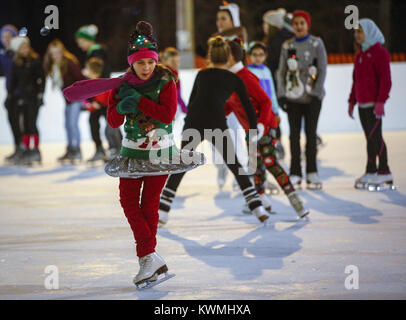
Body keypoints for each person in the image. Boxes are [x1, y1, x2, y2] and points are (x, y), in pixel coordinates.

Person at [63, 21, 204, 289]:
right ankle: (150, 257)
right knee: (128, 201)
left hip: (161, 153)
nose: (146, 67)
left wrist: (138, 101)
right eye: (140, 63)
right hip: (132, 153)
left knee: (150, 204)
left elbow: (167, 115)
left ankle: (146, 259)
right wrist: (122, 104)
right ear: (131, 63)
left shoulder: (166, 80)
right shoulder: (121, 84)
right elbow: (114, 122)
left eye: (150, 62)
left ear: (155, 60)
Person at [158, 36, 271, 226]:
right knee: (235, 165)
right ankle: (257, 207)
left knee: (182, 164)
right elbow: (249, 108)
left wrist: (188, 126)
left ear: (209, 57)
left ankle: (163, 210)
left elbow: (193, 101)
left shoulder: (202, 75)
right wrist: (253, 130)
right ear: (229, 58)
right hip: (216, 123)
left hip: (194, 123)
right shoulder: (234, 79)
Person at [226, 39, 309, 218]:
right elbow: (228, 105)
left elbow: (266, 101)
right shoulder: (230, 79)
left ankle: (295, 200)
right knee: (255, 165)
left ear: (231, 57)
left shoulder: (245, 76)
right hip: (250, 130)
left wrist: (262, 125)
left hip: (265, 126)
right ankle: (261, 199)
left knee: (270, 161)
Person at [276, 10, 327, 190]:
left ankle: (312, 172)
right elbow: (281, 72)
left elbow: (322, 68)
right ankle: (295, 171)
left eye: (302, 23)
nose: (298, 26)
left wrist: (316, 93)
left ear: (307, 25)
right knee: (294, 135)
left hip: (313, 98)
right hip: (293, 99)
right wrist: (282, 94)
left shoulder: (316, 43)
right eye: (296, 23)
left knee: (311, 135)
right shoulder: (287, 45)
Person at [348, 18, 393, 190]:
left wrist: (381, 101)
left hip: (374, 104)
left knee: (376, 137)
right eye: (355, 32)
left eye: (360, 32)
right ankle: (371, 170)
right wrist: (352, 101)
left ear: (369, 32)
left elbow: (385, 80)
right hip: (362, 104)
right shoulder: (359, 54)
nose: (357, 35)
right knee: (369, 138)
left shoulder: (380, 53)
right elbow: (356, 80)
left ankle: (384, 171)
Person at [213, 1, 249, 189]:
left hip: (233, 91)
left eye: (224, 18)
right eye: (218, 18)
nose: (219, 22)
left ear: (233, 19)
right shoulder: (215, 39)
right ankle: (221, 165)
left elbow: (242, 64)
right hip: (218, 90)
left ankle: (239, 169)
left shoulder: (239, 38)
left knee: (235, 133)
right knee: (217, 131)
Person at [75, 24, 120, 162]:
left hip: (103, 96)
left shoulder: (96, 52)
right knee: (102, 122)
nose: (79, 45)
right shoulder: (93, 52)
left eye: (81, 41)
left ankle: (117, 149)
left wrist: (98, 99)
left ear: (88, 40)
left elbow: (102, 74)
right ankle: (110, 149)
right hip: (99, 96)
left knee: (109, 124)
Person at [43, 39, 86, 162]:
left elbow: (81, 79)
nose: (56, 55)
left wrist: (85, 98)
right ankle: (70, 149)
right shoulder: (54, 66)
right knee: (67, 125)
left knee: (72, 124)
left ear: (62, 52)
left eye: (58, 52)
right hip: (68, 100)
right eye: (53, 53)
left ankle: (77, 150)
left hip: (76, 99)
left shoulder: (70, 62)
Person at [7, 36, 45, 164]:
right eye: (21, 48)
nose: (24, 50)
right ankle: (27, 149)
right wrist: (11, 95)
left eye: (26, 47)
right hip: (22, 98)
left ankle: (36, 150)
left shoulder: (35, 60)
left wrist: (40, 94)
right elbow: (14, 81)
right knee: (25, 125)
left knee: (32, 123)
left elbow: (41, 79)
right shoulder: (17, 63)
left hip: (33, 98)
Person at [247, 41, 284, 160]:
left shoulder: (267, 71)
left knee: (273, 132)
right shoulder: (248, 71)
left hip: (269, 111)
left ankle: (275, 151)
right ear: (250, 55)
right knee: (254, 135)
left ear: (265, 55)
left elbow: (272, 91)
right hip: (255, 112)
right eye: (255, 54)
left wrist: (276, 109)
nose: (258, 57)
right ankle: (254, 161)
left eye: (260, 54)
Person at [82, 57, 122, 160]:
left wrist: (98, 103)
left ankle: (118, 148)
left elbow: (107, 97)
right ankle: (100, 149)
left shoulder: (103, 81)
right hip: (97, 107)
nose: (85, 70)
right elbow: (86, 95)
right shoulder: (88, 81)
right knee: (93, 123)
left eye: (87, 68)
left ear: (93, 70)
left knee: (110, 129)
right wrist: (88, 104)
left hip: (108, 107)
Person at [0, 24, 23, 162]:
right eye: (3, 37)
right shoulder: (3, 56)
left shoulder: (19, 55)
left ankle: (24, 149)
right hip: (10, 94)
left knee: (22, 123)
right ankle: (17, 148)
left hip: (20, 94)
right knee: (13, 122)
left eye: (9, 37)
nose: (6, 40)